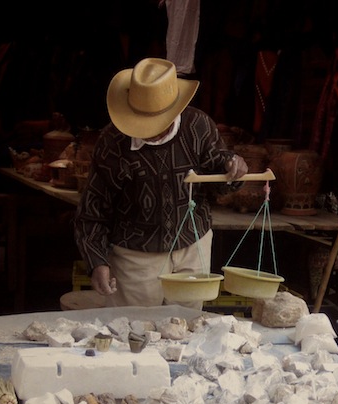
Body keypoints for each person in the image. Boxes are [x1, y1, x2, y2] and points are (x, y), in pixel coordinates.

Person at [74, 57, 248, 307]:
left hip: (192, 246)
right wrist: (97, 262)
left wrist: (232, 167)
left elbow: (218, 176)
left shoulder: (197, 125)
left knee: (186, 331)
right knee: (136, 332)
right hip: (136, 258)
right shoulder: (113, 142)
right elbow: (92, 210)